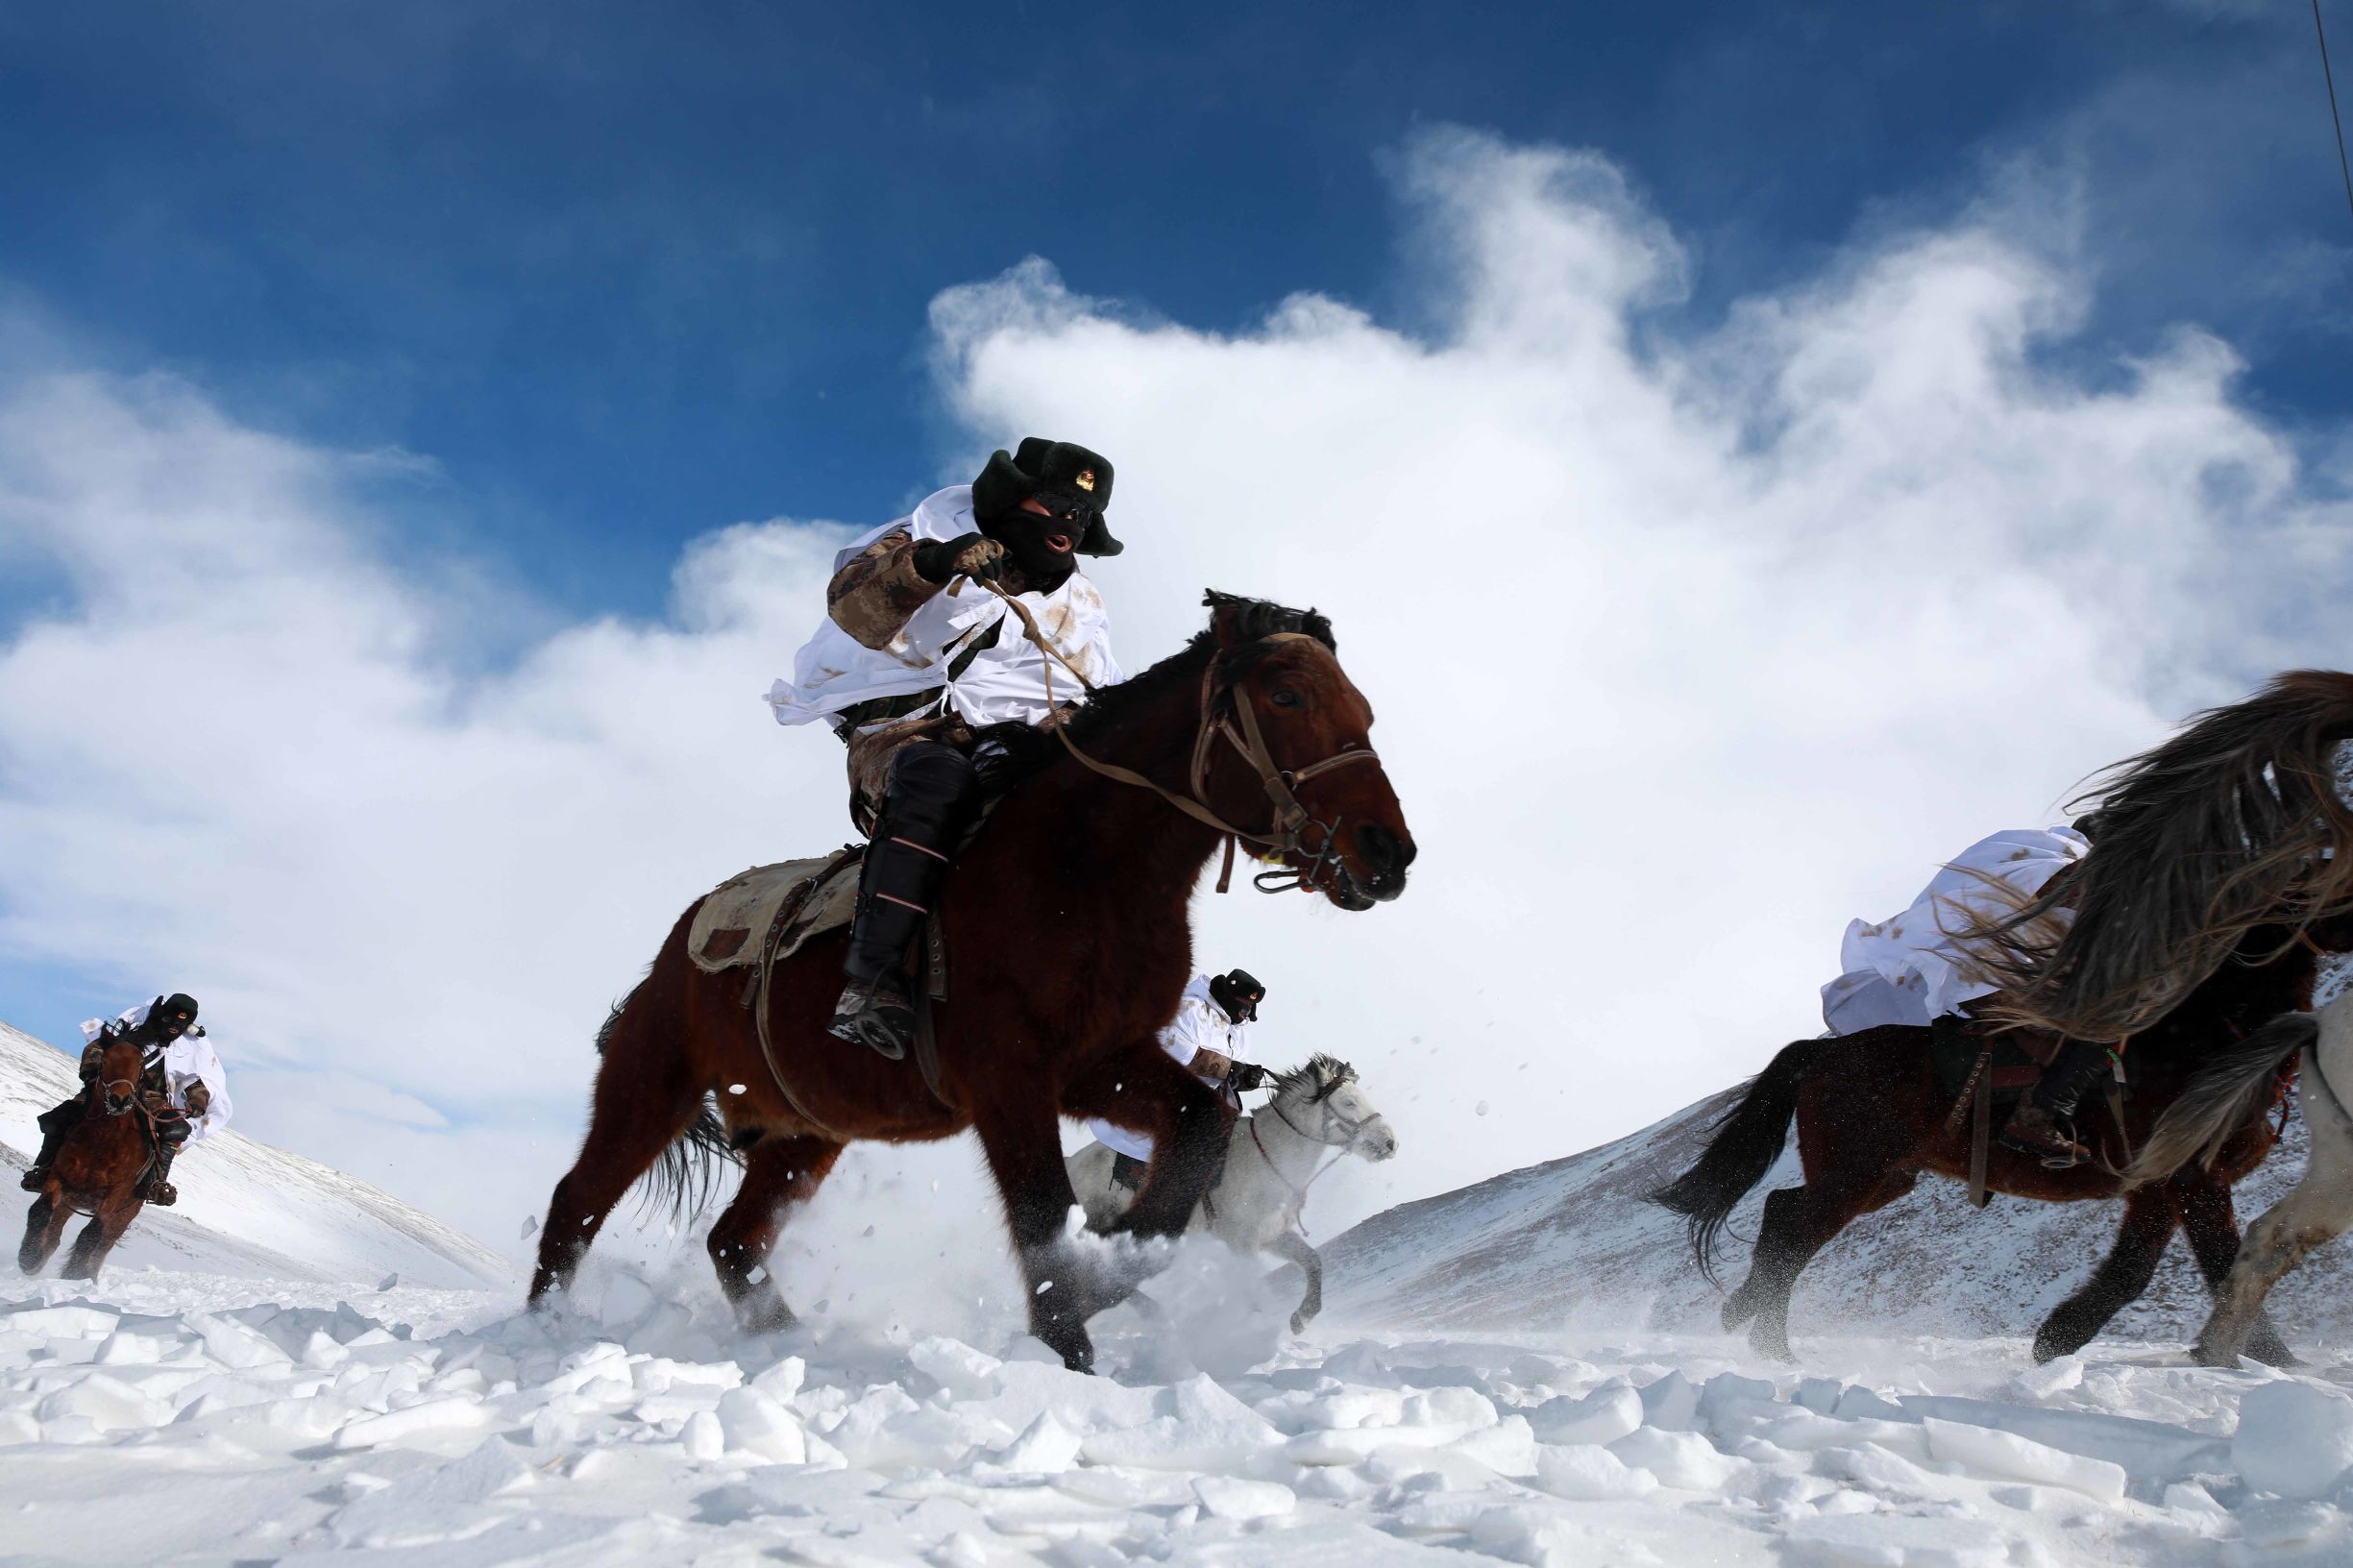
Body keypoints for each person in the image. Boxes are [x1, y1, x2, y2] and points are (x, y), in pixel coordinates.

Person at [766, 438, 1125, 1059]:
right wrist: (936, 563)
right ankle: (871, 985)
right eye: (1056, 504)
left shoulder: (1080, 609)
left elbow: (1091, 698)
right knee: (936, 777)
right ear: (1012, 497)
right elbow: (854, 607)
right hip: (902, 736)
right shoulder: (922, 534)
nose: (1070, 522)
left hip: (1014, 749)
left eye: (1082, 514)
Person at [1819, 825, 2111, 1163]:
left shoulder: (2031, 859)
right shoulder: (2059, 869)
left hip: (1989, 972)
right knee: (2094, 1030)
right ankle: (2036, 1118)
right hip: (1985, 980)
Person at [20, 992, 233, 1206]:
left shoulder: (190, 1048)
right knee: (58, 1118)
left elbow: (196, 1081)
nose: (175, 1025)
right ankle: (44, 1169)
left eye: (181, 1022)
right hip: (110, 1089)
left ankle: (155, 1182)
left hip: (152, 1099)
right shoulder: (132, 1026)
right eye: (170, 1019)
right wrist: (92, 1073)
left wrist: (198, 1101)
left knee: (176, 1131)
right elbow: (97, 1048)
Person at [1087, 969, 1274, 1190]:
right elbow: (1176, 1053)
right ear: (1229, 997)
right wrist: (1229, 1068)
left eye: (1250, 1009)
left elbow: (1229, 1078)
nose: (1245, 1014)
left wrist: (1245, 1078)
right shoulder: (1189, 1009)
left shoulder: (1239, 1034)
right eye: (1243, 1007)